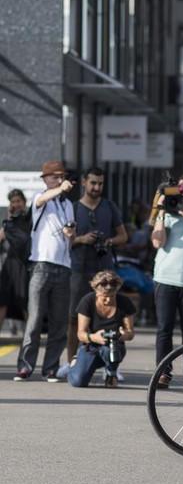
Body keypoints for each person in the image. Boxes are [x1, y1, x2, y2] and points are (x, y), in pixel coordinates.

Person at [62, 167, 127, 378]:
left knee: (110, 318)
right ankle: (72, 362)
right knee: (74, 317)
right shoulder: (72, 208)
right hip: (79, 269)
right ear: (83, 182)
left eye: (100, 183)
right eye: (93, 183)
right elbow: (65, 240)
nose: (97, 187)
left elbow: (123, 236)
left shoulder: (109, 207)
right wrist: (81, 239)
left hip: (104, 271)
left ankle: (112, 367)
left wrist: (108, 241)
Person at [15, 160, 76, 382]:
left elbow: (72, 233)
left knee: (59, 321)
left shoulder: (68, 205)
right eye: (55, 177)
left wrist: (72, 235)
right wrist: (58, 189)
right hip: (40, 265)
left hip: (64, 266)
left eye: (62, 177)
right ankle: (25, 366)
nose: (59, 180)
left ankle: (50, 367)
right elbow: (41, 200)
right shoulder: (40, 198)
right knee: (35, 318)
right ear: (46, 179)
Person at [151, 174, 183, 386]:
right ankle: (163, 373)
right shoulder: (165, 213)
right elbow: (157, 242)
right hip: (165, 278)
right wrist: (162, 211)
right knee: (164, 329)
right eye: (182, 189)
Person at [68, 270, 136, 388]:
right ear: (96, 292)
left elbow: (131, 333)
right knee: (78, 382)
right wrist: (94, 337)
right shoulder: (87, 301)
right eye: (105, 297)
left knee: (109, 349)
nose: (108, 300)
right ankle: (75, 364)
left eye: (112, 296)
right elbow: (80, 334)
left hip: (114, 347)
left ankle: (111, 373)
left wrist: (125, 334)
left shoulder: (124, 302)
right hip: (91, 346)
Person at [0, 189, 30, 334]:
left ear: (24, 202)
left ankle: (30, 337)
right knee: (2, 300)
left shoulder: (30, 219)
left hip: (23, 265)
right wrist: (10, 216)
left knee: (25, 302)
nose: (16, 204)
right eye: (13, 202)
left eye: (18, 201)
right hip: (9, 265)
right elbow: (1, 236)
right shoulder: (9, 221)